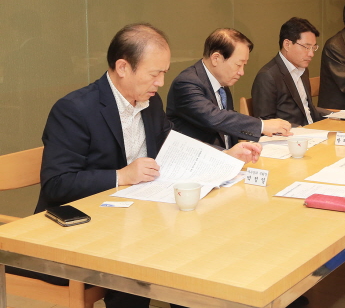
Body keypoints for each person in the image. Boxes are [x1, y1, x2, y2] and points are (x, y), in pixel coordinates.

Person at [36, 23, 260, 308]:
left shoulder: (150, 102)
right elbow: (56, 184)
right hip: (85, 226)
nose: (161, 83)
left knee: (199, 244)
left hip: (138, 216)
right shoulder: (75, 109)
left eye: (164, 73)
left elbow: (174, 145)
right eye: (154, 74)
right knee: (149, 258)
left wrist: (225, 155)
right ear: (123, 67)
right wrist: (121, 175)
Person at [167, 28, 292, 148]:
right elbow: (214, 118)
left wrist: (265, 131)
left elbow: (229, 122)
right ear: (216, 58)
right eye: (238, 65)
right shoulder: (186, 83)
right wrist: (262, 126)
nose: (241, 72)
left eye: (244, 65)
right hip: (199, 158)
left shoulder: (222, 83)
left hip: (228, 155)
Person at [251, 17, 331, 126]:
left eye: (313, 48)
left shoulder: (303, 69)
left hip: (313, 129)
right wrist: (303, 131)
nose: (311, 54)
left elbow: (307, 109)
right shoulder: (267, 76)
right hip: (293, 134)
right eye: (306, 47)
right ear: (287, 44)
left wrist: (338, 115)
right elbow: (266, 123)